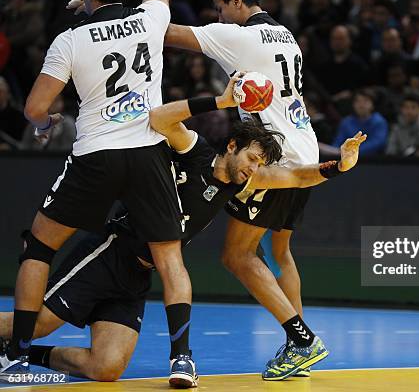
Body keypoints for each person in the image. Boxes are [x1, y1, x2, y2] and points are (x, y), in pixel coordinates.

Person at [0, 75, 366, 383]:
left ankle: (24, 356)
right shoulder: (196, 151)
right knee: (36, 324)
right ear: (233, 145)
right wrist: (220, 101)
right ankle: (17, 341)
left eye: (260, 165)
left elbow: (297, 176)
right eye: (252, 159)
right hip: (111, 253)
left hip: (136, 277)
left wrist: (341, 166)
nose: (254, 169)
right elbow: (160, 117)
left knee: (107, 367)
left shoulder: (243, 182)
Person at [3, 0, 197, 388]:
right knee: (169, 259)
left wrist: (45, 126)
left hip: (97, 153)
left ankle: (17, 356)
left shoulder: (70, 39)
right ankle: (182, 361)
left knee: (39, 246)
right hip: (148, 151)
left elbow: (36, 108)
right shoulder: (149, 18)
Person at [164, 0, 329, 380]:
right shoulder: (285, 35)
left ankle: (302, 340)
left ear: (236, 0)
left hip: (272, 161)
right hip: (304, 154)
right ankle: (297, 351)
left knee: (237, 256)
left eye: (220, 8)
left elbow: (165, 32)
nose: (218, 17)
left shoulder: (237, 36)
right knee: (281, 252)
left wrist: (100, 11)